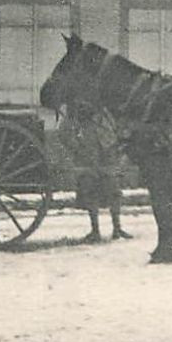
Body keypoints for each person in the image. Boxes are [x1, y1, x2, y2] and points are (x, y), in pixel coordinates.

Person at [58, 98, 133, 244]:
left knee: (114, 190)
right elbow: (63, 132)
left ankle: (117, 228)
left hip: (106, 150)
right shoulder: (73, 107)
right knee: (90, 191)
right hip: (87, 151)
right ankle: (95, 230)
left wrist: (115, 142)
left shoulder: (102, 104)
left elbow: (114, 123)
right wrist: (76, 147)